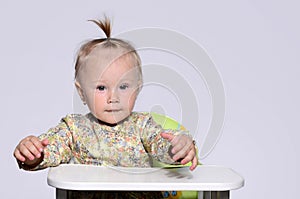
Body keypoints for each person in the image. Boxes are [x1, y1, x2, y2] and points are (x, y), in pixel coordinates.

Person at [13, 16, 198, 199]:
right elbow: (51, 150)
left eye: (123, 87)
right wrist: (33, 153)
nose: (113, 98)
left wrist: (178, 148)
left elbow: (160, 145)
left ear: (138, 88)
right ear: (82, 92)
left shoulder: (143, 125)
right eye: (101, 88)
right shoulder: (74, 129)